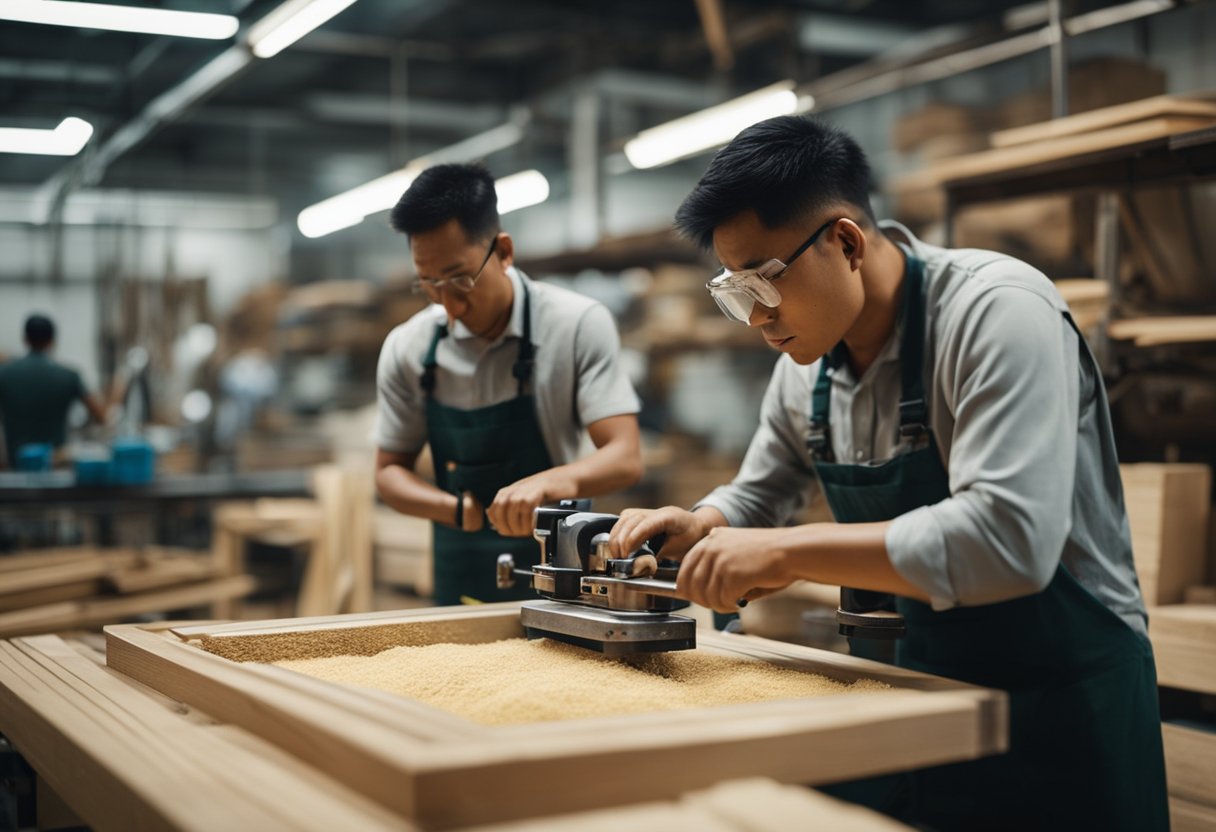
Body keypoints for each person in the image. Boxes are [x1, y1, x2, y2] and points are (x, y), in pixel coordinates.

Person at [608, 116, 1167, 831]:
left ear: (844, 242)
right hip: (920, 699)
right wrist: (706, 523)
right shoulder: (804, 369)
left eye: (763, 282)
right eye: (734, 290)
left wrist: (783, 553)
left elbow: (1008, 541)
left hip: (1066, 707)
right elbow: (762, 491)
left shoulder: (997, 314)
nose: (755, 317)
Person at [374, 163, 643, 606]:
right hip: (457, 563)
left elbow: (625, 457)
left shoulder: (576, 324)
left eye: (461, 279)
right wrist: (455, 510)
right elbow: (387, 472)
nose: (450, 304)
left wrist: (549, 483)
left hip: (558, 563)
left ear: (503, 251)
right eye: (429, 284)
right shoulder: (408, 347)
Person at [0, 314, 109, 467]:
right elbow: (101, 417)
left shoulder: (4, 374)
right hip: (55, 467)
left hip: (16, 468)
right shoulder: (70, 376)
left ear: (24, 339)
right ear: (52, 341)